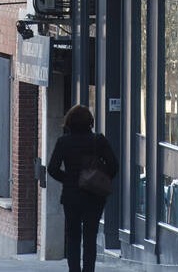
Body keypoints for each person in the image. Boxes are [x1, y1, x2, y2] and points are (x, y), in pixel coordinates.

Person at [46, 104, 118, 272]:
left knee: (73, 237)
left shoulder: (63, 142)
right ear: (90, 122)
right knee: (90, 237)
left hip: (71, 196)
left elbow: (52, 169)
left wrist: (70, 180)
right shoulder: (98, 141)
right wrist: (99, 179)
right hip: (94, 196)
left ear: (69, 122)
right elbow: (114, 165)